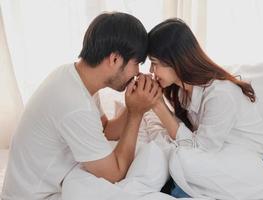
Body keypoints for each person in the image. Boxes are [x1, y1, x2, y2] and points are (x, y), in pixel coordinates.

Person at [1, 12, 162, 199]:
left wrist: (134, 104)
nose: (137, 72)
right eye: (137, 63)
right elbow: (115, 173)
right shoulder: (75, 104)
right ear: (115, 59)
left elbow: (106, 130)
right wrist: (136, 113)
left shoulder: (72, 77)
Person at [148, 18, 263, 198]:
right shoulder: (181, 91)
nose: (151, 70)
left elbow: (200, 149)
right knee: (173, 163)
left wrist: (158, 106)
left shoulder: (220, 93)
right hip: (225, 157)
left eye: (155, 63)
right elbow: (191, 138)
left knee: (182, 167)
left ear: (175, 59)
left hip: (259, 167)